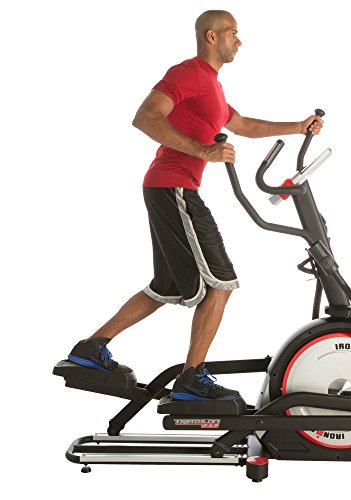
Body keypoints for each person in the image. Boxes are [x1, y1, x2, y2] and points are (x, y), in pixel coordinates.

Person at [67, 10, 323, 402]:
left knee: (165, 286)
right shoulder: (188, 73)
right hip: (174, 187)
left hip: (168, 187)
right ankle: (191, 378)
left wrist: (297, 126)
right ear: (211, 36)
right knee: (220, 283)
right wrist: (204, 151)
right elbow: (145, 117)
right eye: (233, 33)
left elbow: (244, 126)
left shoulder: (212, 86)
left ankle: (90, 349)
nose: (239, 41)